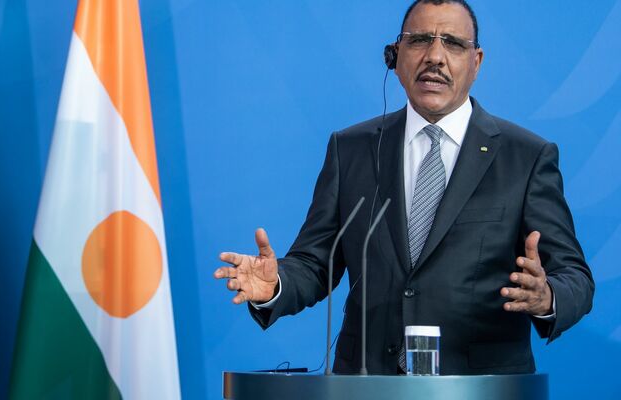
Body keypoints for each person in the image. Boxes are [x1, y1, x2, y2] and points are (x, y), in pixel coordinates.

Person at [213, 0, 594, 375]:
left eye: (453, 43)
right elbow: (315, 264)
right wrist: (276, 284)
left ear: (476, 62)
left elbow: (575, 276)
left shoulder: (525, 157)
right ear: (395, 57)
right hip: (368, 383)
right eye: (420, 40)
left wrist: (547, 297)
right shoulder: (351, 149)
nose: (435, 57)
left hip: (478, 386)